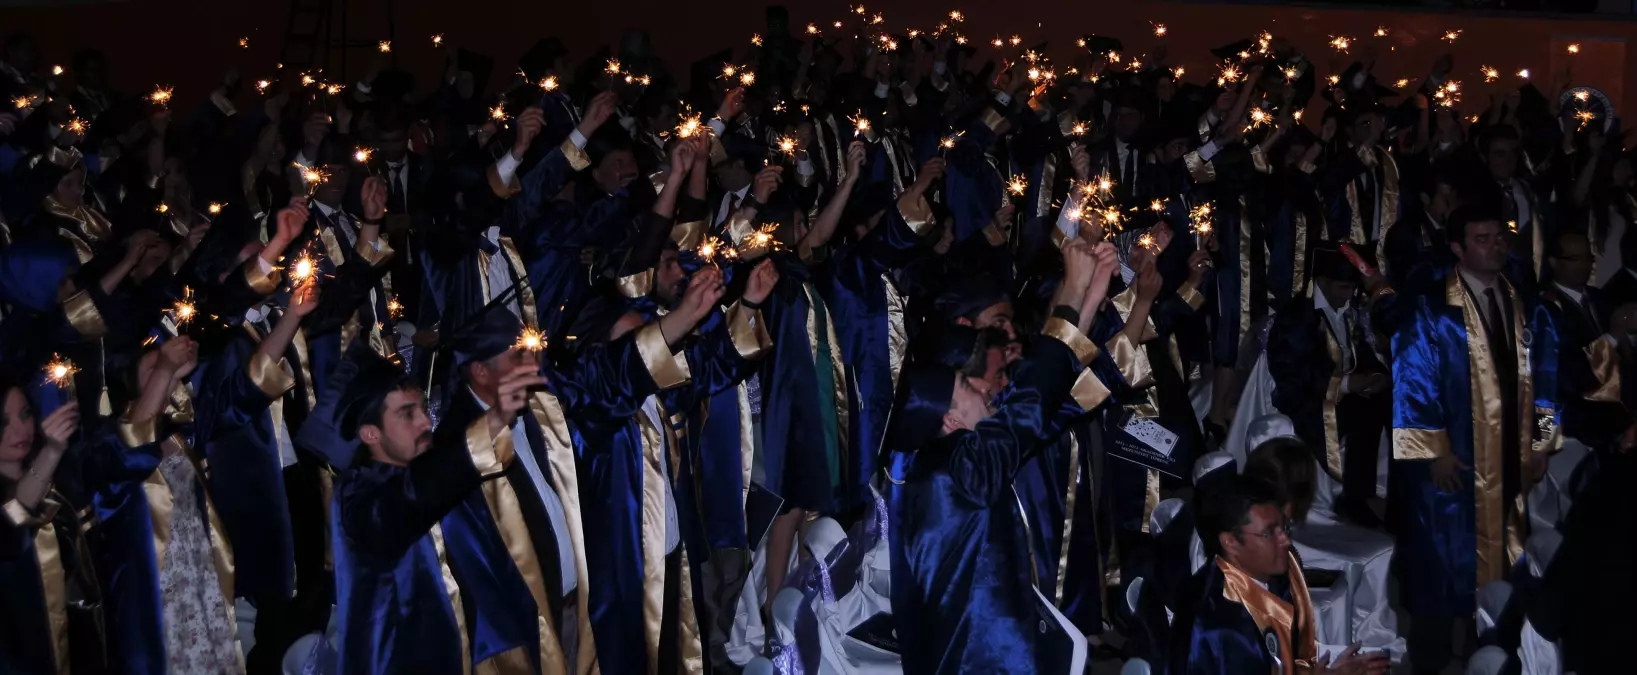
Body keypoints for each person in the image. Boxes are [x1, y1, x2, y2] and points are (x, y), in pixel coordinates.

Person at [885, 238, 1106, 673]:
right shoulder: (957, 471)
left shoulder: (934, 459)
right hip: (981, 660)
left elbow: (1040, 399)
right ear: (948, 419)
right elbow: (1027, 403)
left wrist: (1087, 296)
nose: (985, 389)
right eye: (968, 387)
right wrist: (1074, 292)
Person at [1391, 205, 1559, 675]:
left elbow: (1546, 382)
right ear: (1459, 249)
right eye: (1481, 238)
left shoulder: (1527, 303)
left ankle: (1495, 653)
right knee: (1442, 565)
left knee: (1505, 559)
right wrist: (1435, 450)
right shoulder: (1430, 307)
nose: (1496, 245)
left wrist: (1542, 444)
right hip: (1455, 459)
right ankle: (1432, 659)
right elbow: (1413, 381)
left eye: (1499, 236)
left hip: (1508, 458)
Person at [1170, 473, 1389, 675]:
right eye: (1269, 533)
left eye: (1285, 527)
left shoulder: (1277, 570)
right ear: (1231, 542)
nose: (1285, 540)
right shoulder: (1217, 627)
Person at [0, 378, 101, 675]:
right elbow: (11, 524)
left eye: (25, 414)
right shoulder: (45, 470)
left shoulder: (57, 484)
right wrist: (51, 452)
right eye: (3, 421)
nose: (20, 430)